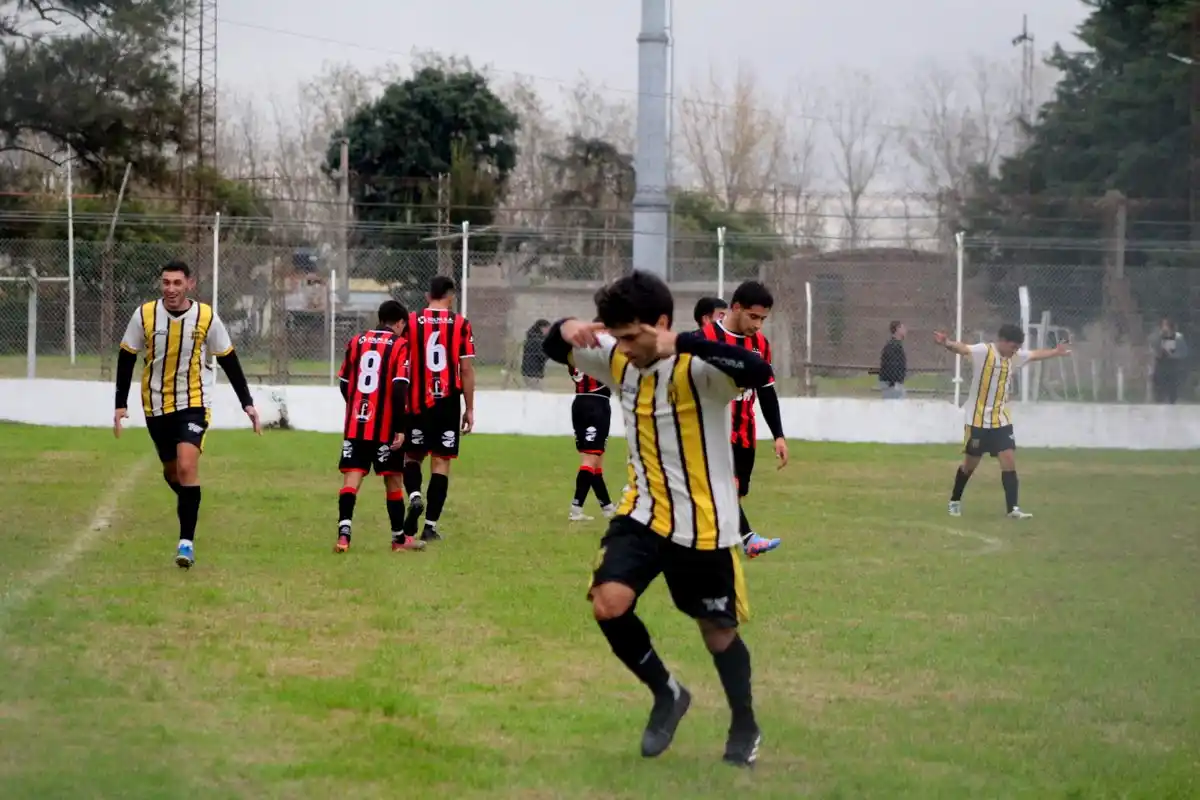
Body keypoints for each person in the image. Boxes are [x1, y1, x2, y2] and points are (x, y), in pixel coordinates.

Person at [543, 270, 770, 768]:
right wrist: (566, 327)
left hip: (704, 524)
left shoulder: (701, 369)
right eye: (615, 337)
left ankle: (745, 724)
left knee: (717, 631)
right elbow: (550, 343)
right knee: (608, 603)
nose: (620, 349)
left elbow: (754, 369)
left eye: (630, 338)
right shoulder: (618, 359)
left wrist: (680, 341)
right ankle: (667, 692)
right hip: (642, 513)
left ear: (661, 324)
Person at [113, 260, 261, 569]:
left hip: (194, 402)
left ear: (189, 285)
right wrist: (120, 403)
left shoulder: (206, 317)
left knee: (186, 465)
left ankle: (186, 544)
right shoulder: (144, 315)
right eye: (166, 282)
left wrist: (247, 402)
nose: (171, 289)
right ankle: (190, 499)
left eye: (177, 283)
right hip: (155, 405)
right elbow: (127, 355)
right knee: (174, 474)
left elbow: (228, 359)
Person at [934, 324, 1070, 518]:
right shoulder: (984, 351)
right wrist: (946, 342)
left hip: (1000, 419)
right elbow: (963, 348)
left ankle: (1013, 509)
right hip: (977, 419)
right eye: (1013, 347)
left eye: (1017, 348)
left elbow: (1034, 355)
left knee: (1009, 461)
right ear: (1003, 341)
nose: (1015, 351)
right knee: (969, 465)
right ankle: (955, 500)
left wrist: (1056, 352)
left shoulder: (1014, 357)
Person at [699, 281, 786, 559]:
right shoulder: (706, 337)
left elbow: (767, 391)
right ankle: (747, 538)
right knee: (721, 486)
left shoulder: (760, 345)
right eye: (753, 317)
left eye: (763, 319)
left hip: (745, 432)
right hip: (712, 430)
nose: (758, 325)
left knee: (734, 494)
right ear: (736, 308)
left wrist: (779, 436)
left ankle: (727, 540)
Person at [334, 300, 425, 554]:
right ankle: (398, 540)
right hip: (384, 427)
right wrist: (399, 427)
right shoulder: (400, 345)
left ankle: (344, 536)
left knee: (352, 477)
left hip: (357, 424)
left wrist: (356, 406)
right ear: (399, 323)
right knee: (393, 481)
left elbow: (343, 383)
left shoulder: (356, 341)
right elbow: (399, 388)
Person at [399, 276, 476, 542]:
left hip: (417, 400)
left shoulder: (410, 321)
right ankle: (430, 526)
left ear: (426, 295)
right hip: (447, 401)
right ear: (451, 296)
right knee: (441, 462)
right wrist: (469, 408)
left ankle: (414, 496)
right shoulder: (461, 324)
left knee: (412, 456)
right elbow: (466, 369)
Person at [567, 322, 616, 522]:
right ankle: (576, 509)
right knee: (590, 460)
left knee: (595, 462)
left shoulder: (576, 352)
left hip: (579, 402)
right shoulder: (603, 354)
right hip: (597, 405)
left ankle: (608, 507)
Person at [1150, 317, 1188, 404]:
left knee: (1172, 390)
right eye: (1163, 325)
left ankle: (1171, 401)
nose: (1164, 327)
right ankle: (1160, 400)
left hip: (1171, 367)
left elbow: (1170, 352)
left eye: (1166, 325)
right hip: (1161, 367)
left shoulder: (1176, 337)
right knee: (1159, 389)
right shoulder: (1157, 336)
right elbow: (1155, 350)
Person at [879, 320, 907, 399]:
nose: (905, 330)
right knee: (894, 406)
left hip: (894, 383)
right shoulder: (892, 346)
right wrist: (893, 384)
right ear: (898, 329)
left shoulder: (896, 345)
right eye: (903, 328)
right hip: (891, 384)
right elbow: (890, 366)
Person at [521, 319, 552, 389]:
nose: (549, 331)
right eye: (547, 329)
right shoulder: (537, 340)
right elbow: (543, 355)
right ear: (542, 328)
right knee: (539, 393)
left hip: (532, 372)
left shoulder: (534, 338)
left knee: (534, 393)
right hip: (532, 373)